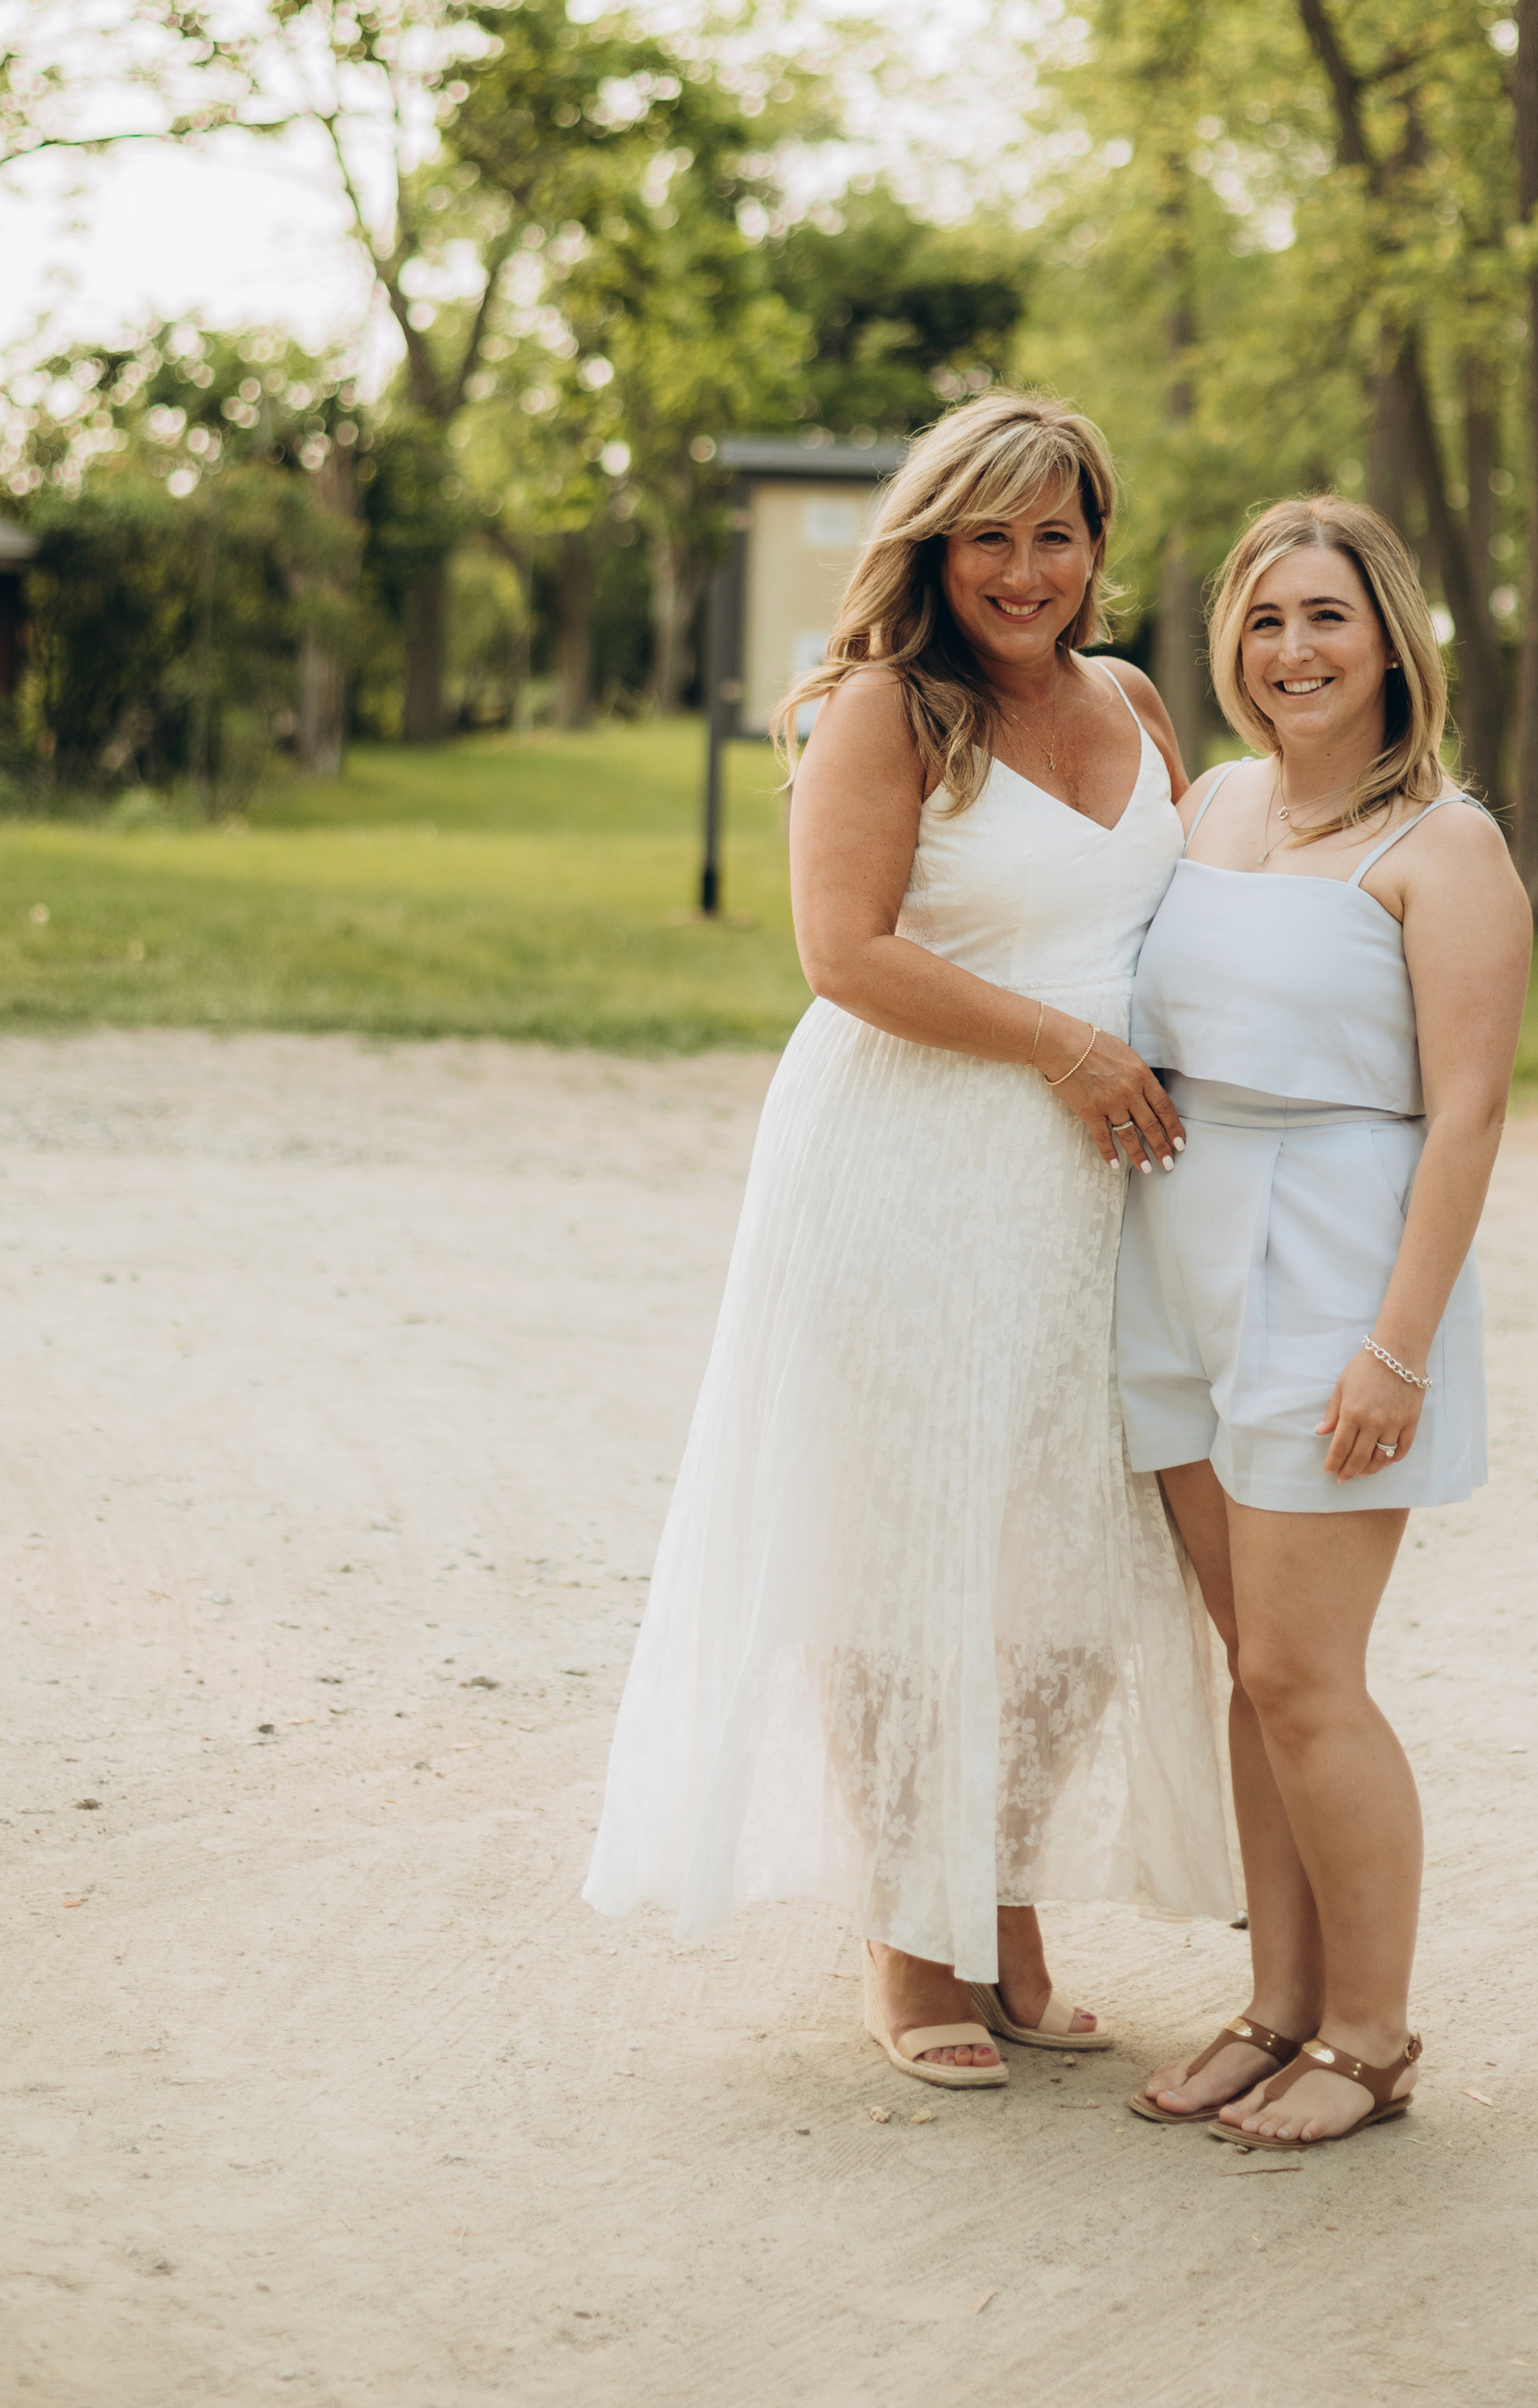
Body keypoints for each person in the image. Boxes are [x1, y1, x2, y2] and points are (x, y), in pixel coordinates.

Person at [583, 393, 1232, 2088]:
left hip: (1096, 1191)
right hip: (912, 1165)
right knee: (904, 1544)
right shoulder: (885, 708)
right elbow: (843, 952)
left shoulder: (1136, 702)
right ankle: (904, 1931)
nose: (1023, 570)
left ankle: (1000, 1902)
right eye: (987, 536)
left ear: (1096, 545)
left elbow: (1189, 917)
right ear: (934, 550)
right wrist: (1068, 1048)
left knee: (1072, 1566)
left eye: (1054, 534)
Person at [1119, 498, 1531, 2150]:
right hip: (1177, 1258)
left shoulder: (1445, 846)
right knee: (1255, 1670)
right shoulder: (1211, 803)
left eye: (1328, 617)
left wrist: (1397, 1346)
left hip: (1335, 1267)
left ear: (1392, 642)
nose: (1294, 649)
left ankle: (1371, 2034)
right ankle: (1275, 2007)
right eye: (1267, 617)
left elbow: (1470, 1115)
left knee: (1308, 1674)